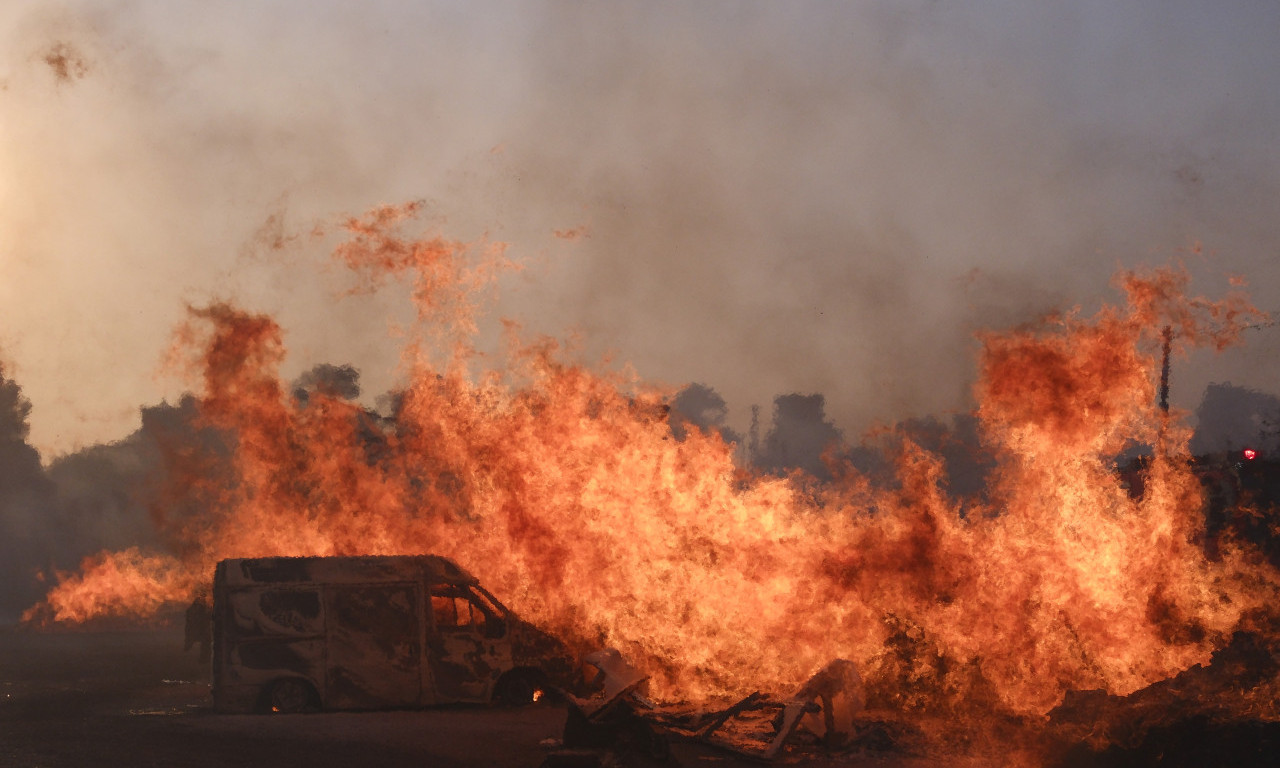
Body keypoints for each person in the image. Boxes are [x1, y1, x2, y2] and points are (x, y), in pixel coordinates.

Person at [184, 589, 212, 665]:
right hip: (202, 627)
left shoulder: (204, 603)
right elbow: (191, 614)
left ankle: (204, 659)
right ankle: (203, 659)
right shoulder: (197, 604)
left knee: (206, 642)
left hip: (205, 627)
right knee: (205, 641)